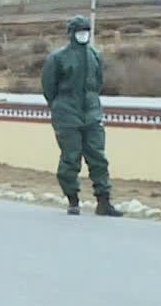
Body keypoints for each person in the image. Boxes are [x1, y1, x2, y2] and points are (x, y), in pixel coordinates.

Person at [41, 14, 120, 217]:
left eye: (86, 31)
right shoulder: (58, 58)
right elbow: (49, 87)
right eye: (79, 31)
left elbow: (97, 83)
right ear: (71, 33)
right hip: (67, 114)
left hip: (91, 113)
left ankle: (104, 201)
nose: (83, 35)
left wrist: (91, 104)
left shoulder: (95, 55)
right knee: (70, 157)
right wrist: (60, 107)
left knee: (98, 157)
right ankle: (73, 199)